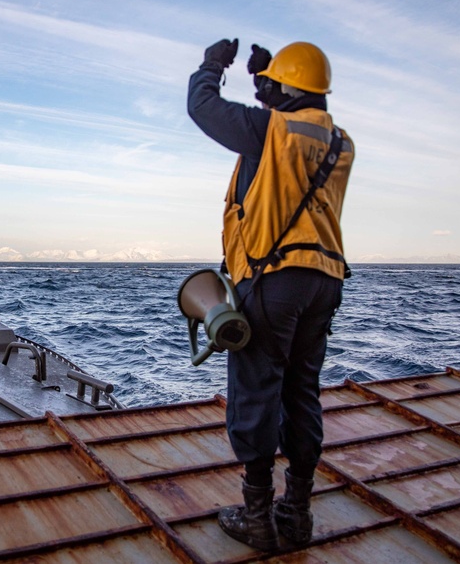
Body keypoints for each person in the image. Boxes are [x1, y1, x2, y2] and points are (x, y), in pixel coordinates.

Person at [187, 39, 354, 551]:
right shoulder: (338, 140)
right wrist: (268, 80)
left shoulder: (270, 132)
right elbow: (293, 116)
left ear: (286, 89)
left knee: (256, 390)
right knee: (301, 392)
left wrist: (213, 64)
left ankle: (257, 517)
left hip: (275, 280)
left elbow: (203, 107)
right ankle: (296, 514)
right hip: (324, 280)